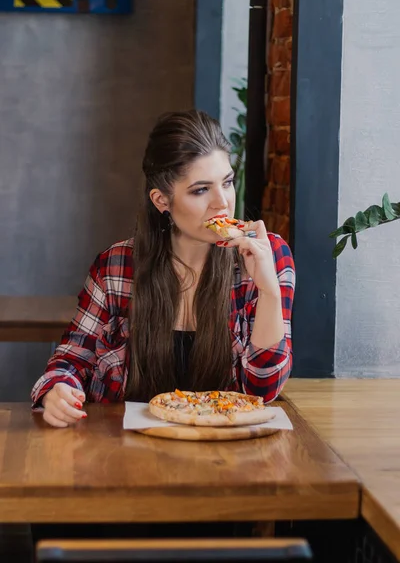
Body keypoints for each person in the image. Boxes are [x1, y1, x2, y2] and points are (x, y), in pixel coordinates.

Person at [31, 110, 295, 428]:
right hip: (123, 453)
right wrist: (58, 390)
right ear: (161, 200)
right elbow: (72, 360)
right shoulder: (116, 266)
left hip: (225, 455)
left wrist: (268, 291)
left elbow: (262, 391)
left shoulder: (269, 254)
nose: (222, 203)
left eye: (227, 182)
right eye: (200, 190)